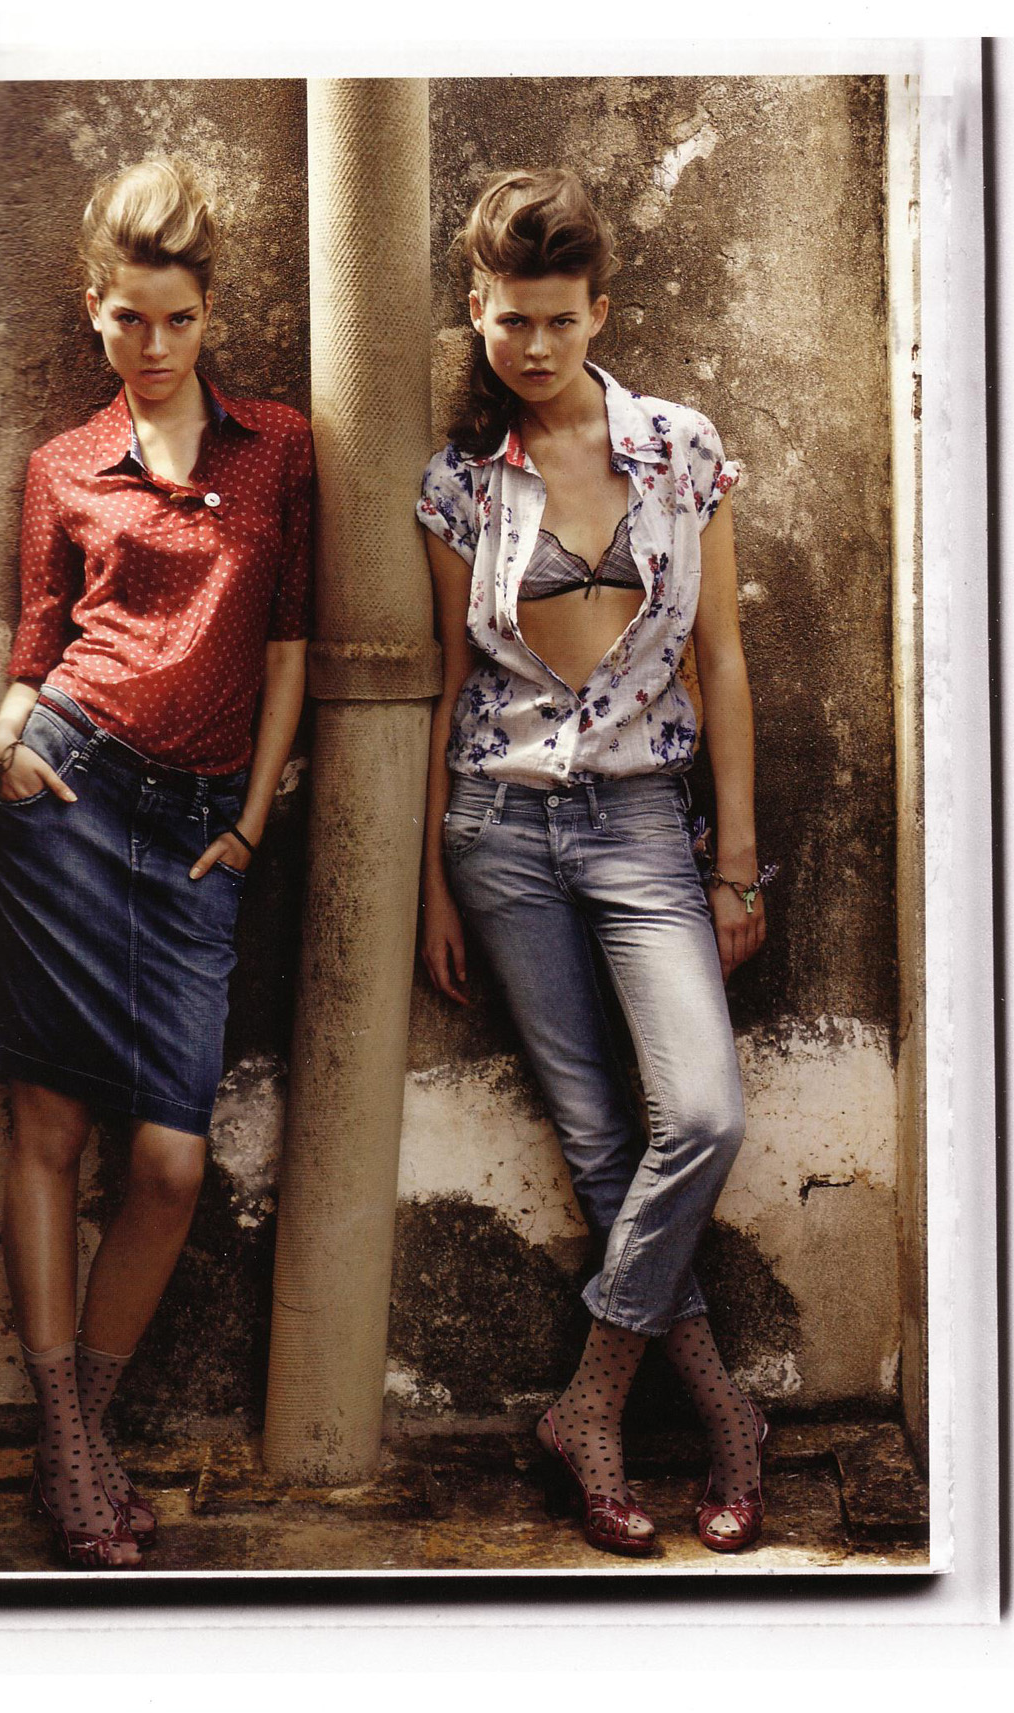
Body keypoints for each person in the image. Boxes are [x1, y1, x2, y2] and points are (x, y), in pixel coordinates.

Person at [417, 168, 773, 1556]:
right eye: (511, 319)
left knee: (704, 1116)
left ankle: (595, 1403)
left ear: (600, 312)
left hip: (641, 825)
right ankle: (728, 1420)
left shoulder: (681, 449)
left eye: (560, 318)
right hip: (499, 832)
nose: (535, 345)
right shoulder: (459, 482)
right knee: (597, 1141)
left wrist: (736, 862)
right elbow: (449, 691)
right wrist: (432, 884)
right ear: (477, 310)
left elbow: (721, 660)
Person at [0, 157, 311, 1568]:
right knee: (49, 1129)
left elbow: (289, 641)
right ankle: (72, 1451)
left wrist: (251, 821)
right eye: (129, 319)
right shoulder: (61, 465)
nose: (154, 345)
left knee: (170, 1160)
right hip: (65, 792)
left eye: (177, 319)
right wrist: (5, 735)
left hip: (197, 835)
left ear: (209, 312)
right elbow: (36, 642)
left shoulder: (279, 448)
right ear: (94, 310)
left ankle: (81, 1433)